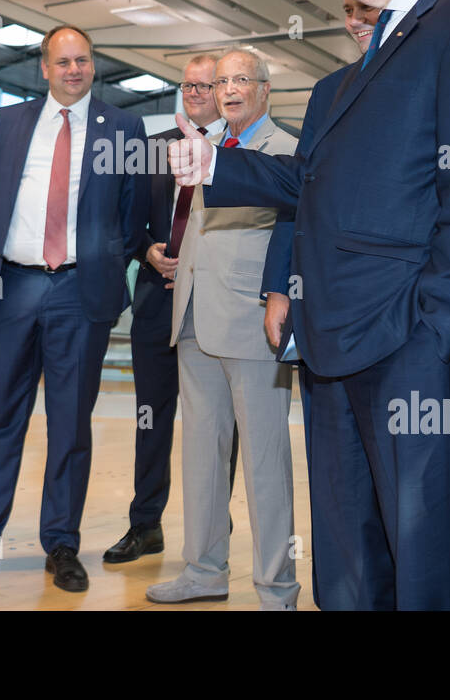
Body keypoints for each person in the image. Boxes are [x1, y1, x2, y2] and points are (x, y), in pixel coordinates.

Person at [170, 0, 450, 609]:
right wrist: (217, 164)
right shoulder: (348, 78)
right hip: (330, 342)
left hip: (410, 338)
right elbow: (315, 186)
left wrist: (443, 323)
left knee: (425, 551)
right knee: (346, 551)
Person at [0, 25, 148, 593]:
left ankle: (61, 543)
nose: (74, 70)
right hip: (13, 288)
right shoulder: (10, 122)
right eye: (64, 61)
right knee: (1, 419)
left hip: (81, 292)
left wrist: (99, 268)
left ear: (93, 65)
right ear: (45, 67)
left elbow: (131, 218)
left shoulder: (124, 127)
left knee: (70, 424)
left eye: (83, 60)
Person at [146, 48, 299, 609]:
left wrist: (278, 298)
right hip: (191, 315)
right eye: (221, 81)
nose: (229, 89)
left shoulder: (284, 151)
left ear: (264, 89)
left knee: (264, 463)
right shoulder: (204, 148)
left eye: (241, 79)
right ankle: (204, 570)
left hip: (249, 322)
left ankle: (276, 586)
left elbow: (291, 233)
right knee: (202, 456)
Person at [261, 0, 391, 610]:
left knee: (398, 487)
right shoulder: (326, 92)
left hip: (397, 316)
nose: (357, 22)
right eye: (350, 12)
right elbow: (299, 197)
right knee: (336, 478)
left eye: (368, 10)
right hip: (322, 314)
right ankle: (341, 598)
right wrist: (280, 285)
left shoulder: (431, 75)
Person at [104, 53, 236, 564]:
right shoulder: (152, 149)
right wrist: (147, 251)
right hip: (158, 303)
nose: (195, 93)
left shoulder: (239, 148)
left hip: (216, 306)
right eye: (187, 85)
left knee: (219, 422)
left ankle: (212, 526)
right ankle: (144, 524)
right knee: (150, 419)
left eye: (206, 85)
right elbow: (126, 220)